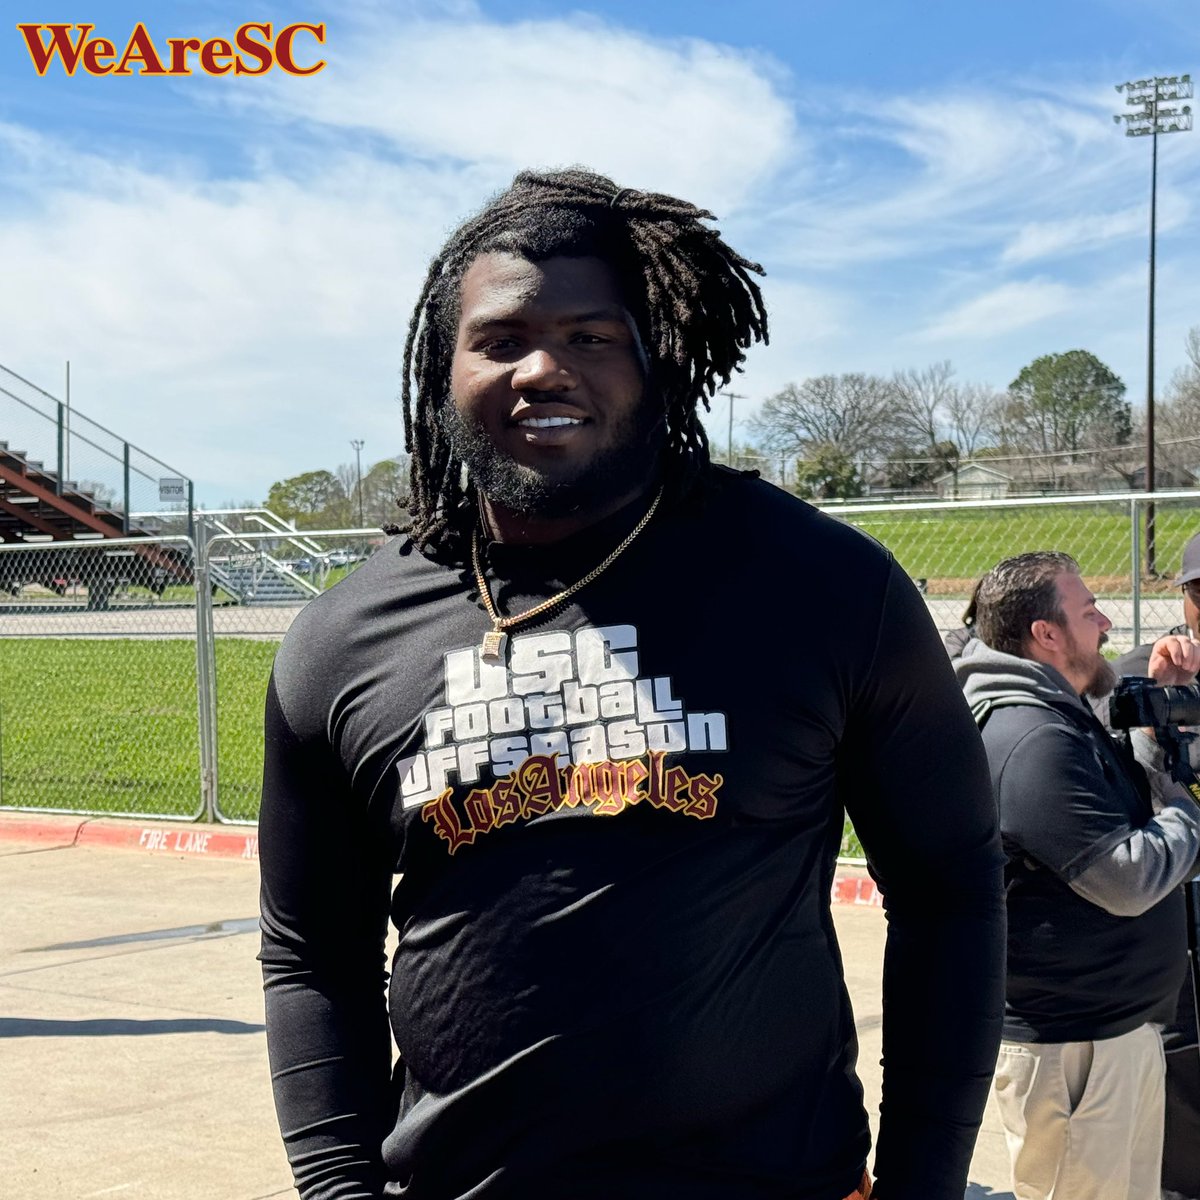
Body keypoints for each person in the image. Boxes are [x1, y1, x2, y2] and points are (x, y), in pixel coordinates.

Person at [258, 168, 1006, 1200]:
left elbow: (953, 892)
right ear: (444, 367)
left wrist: (923, 1183)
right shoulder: (342, 639)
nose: (545, 369)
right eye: (502, 338)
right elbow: (311, 956)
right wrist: (337, 1190)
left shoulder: (825, 589)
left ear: (661, 363)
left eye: (592, 337)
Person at [955, 550, 1200, 1200]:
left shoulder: (1058, 718)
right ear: (1047, 633)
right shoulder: (1030, 736)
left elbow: (1129, 806)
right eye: (1089, 610)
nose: (1107, 626)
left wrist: (1154, 743)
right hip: (1075, 1051)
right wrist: (1191, 813)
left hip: (1110, 1039)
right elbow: (1126, 877)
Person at [1092, 533, 1200, 1200]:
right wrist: (1156, 701)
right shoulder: (1145, 671)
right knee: (1181, 1068)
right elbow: (1082, 745)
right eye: (1198, 594)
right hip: (1174, 914)